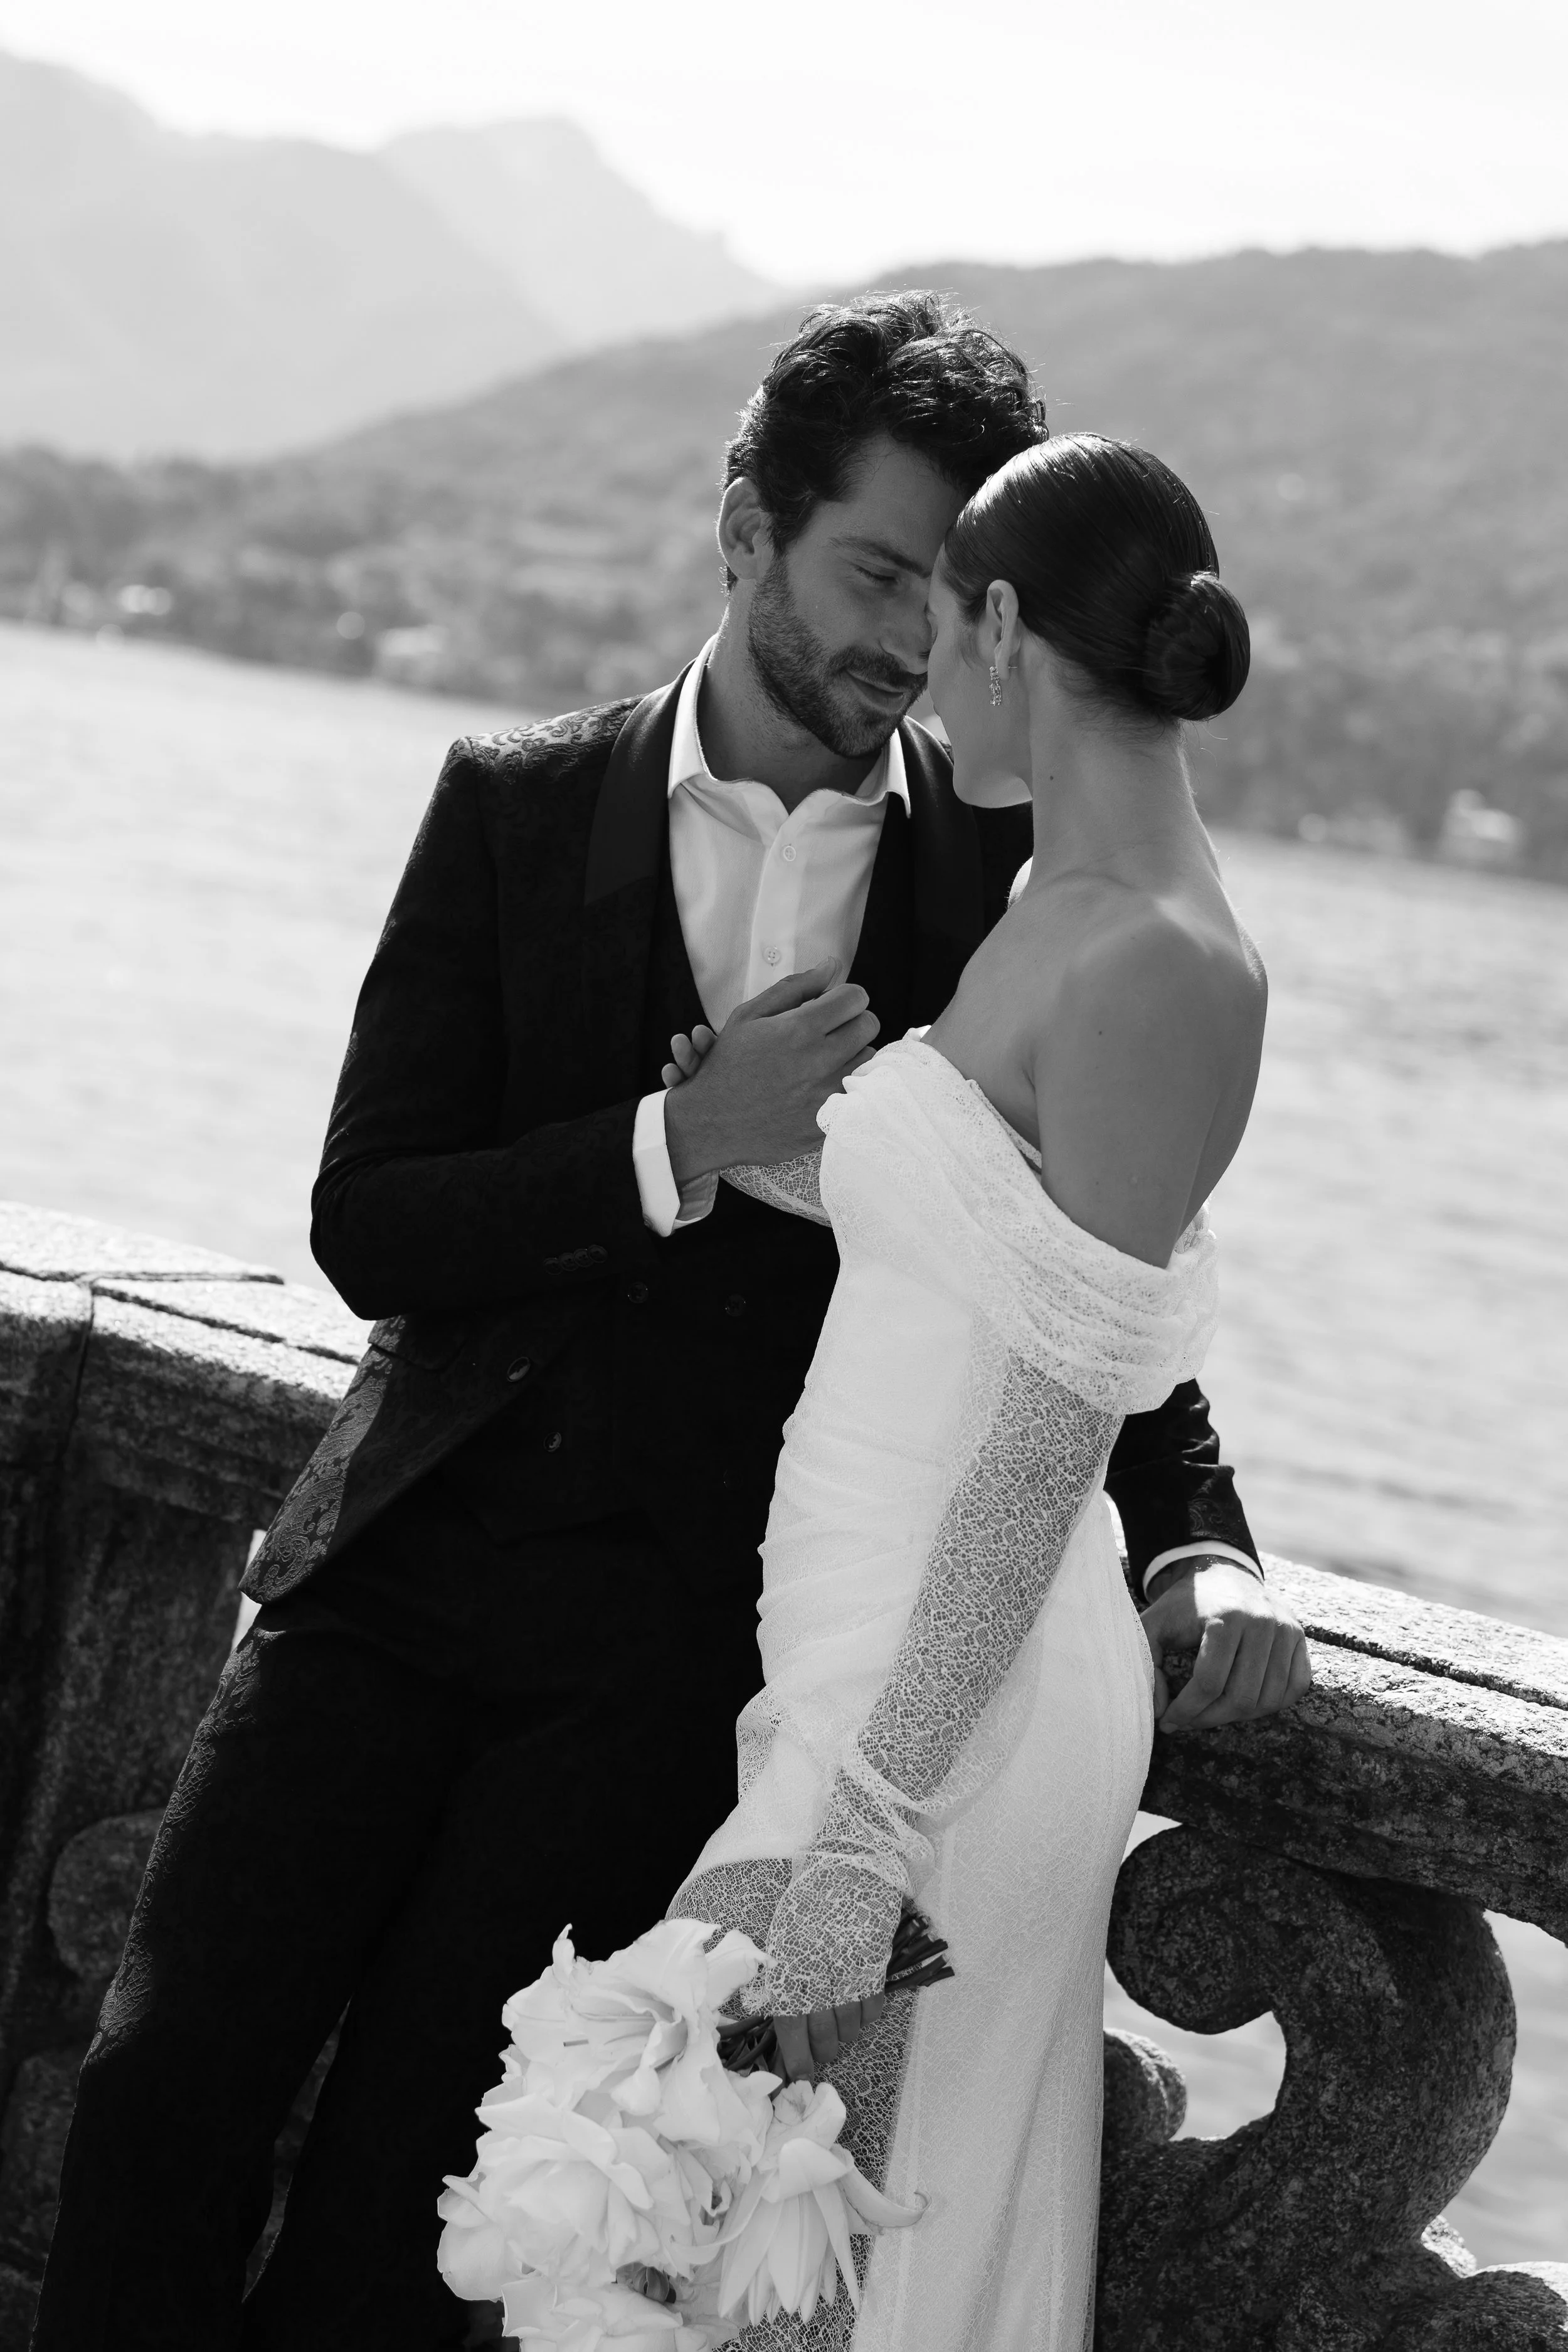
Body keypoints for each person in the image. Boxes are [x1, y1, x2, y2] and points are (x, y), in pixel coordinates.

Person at [32, 299, 1298, 2352]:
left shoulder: (1016, 870)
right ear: (744, 528)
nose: (910, 636)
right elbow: (372, 1218)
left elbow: (1070, 1276)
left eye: (941, 590)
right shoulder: (516, 802)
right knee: (156, 2095)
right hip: (390, 1583)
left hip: (661, 1666)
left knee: (418, 2202)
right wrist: (675, 1139)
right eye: (870, 571)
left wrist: (1197, 1530)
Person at [666, 430, 1311, 2348]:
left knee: (809, 2269)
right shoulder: (1051, 901)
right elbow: (960, 1232)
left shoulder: (1165, 966)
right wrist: (742, 1128)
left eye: (944, 629)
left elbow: (1049, 1434)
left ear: (1008, 619)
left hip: (953, 1714)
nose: (927, 685)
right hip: (866, 1657)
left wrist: (867, 1814)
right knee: (748, 2250)